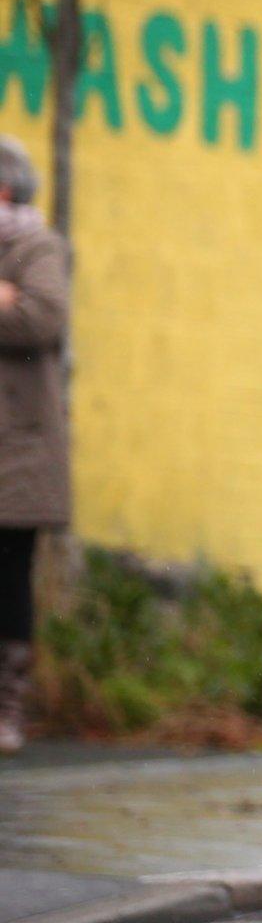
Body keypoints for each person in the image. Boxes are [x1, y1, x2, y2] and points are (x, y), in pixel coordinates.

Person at [0, 135, 68, 755]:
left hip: (15, 449)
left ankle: (8, 709)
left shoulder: (36, 245)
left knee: (10, 571)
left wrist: (13, 301)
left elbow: (42, 317)